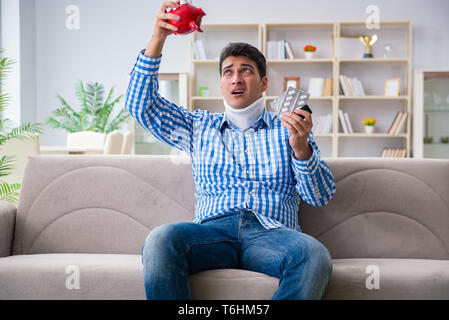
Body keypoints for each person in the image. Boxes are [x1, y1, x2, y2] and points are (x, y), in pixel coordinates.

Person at [125, 1, 336, 300]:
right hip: (211, 234)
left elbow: (320, 196)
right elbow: (139, 105)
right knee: (160, 239)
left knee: (314, 255)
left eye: (246, 71)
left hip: (271, 233)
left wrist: (301, 149)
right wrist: (158, 37)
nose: (236, 78)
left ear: (263, 83)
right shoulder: (198, 126)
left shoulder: (287, 129)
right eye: (228, 72)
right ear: (221, 85)